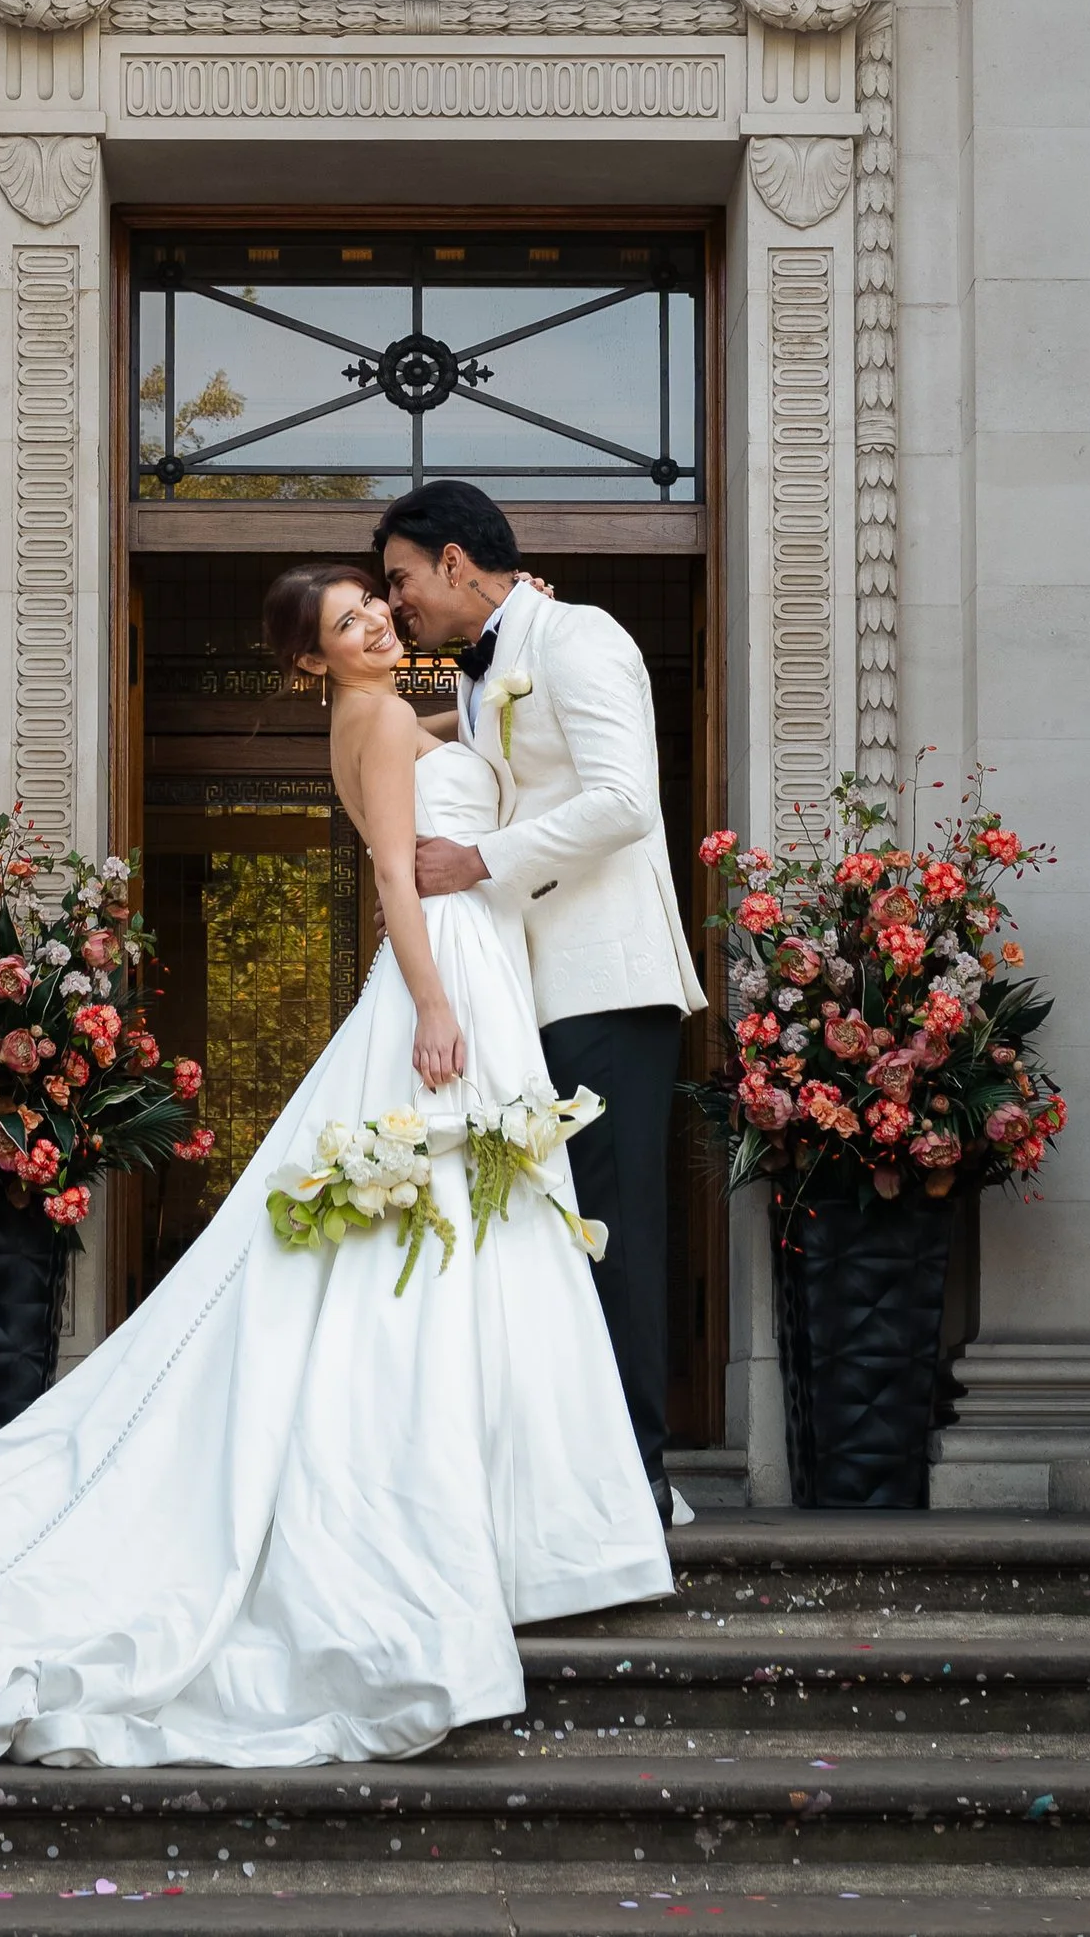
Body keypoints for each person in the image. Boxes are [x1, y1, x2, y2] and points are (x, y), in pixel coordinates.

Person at [0, 563, 669, 1771]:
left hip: (473, 958)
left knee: (460, 1224)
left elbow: (470, 736)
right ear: (311, 662)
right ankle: (472, 1517)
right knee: (437, 1231)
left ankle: (507, 1512)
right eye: (349, 621)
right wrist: (434, 1007)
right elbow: (396, 873)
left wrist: (507, 655)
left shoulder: (383, 713)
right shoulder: (382, 718)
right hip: (447, 964)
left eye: (376, 605)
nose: (378, 621)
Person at [377, 481, 702, 1513]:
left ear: (456, 564)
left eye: (400, 579)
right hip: (522, 989)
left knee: (612, 1225)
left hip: (608, 978)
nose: (395, 605)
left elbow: (621, 800)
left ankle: (634, 1481)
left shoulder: (578, 635)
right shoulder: (481, 676)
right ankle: (564, 1470)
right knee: (543, 1228)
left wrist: (477, 859)